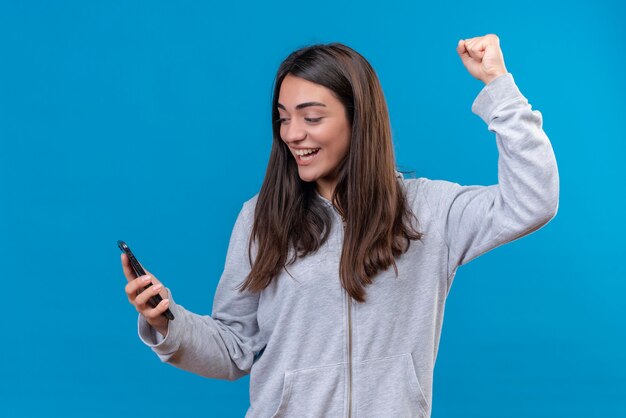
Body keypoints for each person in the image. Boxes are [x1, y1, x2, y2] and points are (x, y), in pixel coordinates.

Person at [122, 34, 559, 418]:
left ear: (358, 119)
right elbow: (234, 350)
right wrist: (167, 321)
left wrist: (500, 89)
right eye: (283, 117)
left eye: (311, 118)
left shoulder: (430, 211)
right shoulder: (260, 217)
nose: (292, 133)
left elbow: (532, 200)